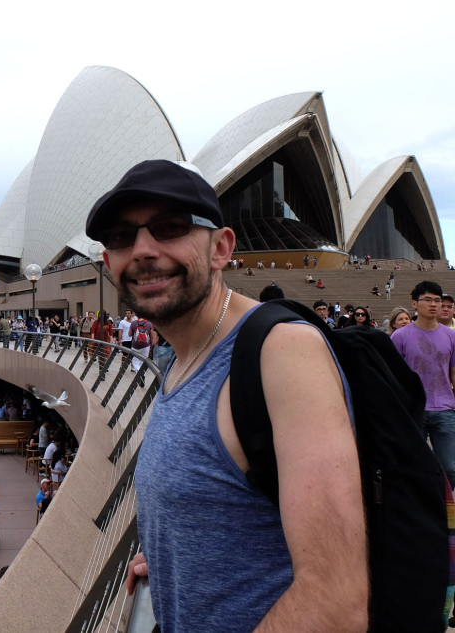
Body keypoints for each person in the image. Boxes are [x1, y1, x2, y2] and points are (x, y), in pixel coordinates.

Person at [87, 159, 366, 630]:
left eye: (170, 228)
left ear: (221, 248)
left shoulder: (282, 353)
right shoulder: (181, 356)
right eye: (121, 237)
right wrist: (179, 555)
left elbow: (335, 601)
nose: (142, 250)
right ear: (108, 261)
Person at [391, 280, 455, 487]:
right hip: (413, 409)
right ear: (414, 304)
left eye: (437, 300)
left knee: (450, 467)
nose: (434, 304)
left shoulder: (451, 336)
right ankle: (423, 510)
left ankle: (444, 510)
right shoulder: (400, 336)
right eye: (427, 299)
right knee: (416, 465)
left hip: (445, 409)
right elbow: (394, 375)